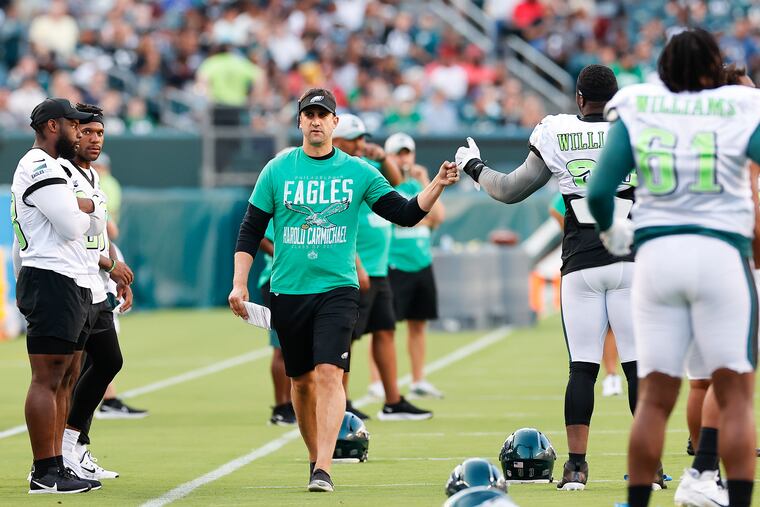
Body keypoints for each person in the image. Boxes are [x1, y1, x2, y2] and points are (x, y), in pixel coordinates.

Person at [228, 88, 458, 493]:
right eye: (309, 114)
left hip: (337, 289)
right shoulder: (277, 169)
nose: (316, 121)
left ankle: (324, 467)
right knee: (300, 382)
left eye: (323, 114)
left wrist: (437, 183)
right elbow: (250, 229)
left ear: (335, 123)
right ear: (299, 122)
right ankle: (314, 455)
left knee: (330, 373)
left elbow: (404, 214)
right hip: (288, 290)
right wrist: (240, 283)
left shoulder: (358, 172)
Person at [587, 29, 760, 507]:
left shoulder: (640, 105)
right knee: (736, 398)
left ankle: (640, 502)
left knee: (655, 399)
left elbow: (600, 193)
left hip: (657, 256)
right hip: (722, 255)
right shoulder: (740, 105)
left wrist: (611, 232)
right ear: (713, 68)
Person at [456, 65, 644, 491]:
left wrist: (473, 165)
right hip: (631, 262)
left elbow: (508, 190)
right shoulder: (636, 131)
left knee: (582, 369)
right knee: (637, 369)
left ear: (579, 98)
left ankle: (576, 468)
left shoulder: (556, 131)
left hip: (581, 264)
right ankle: (646, 467)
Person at [11, 98, 104, 494]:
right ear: (52, 126)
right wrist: (88, 206)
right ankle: (43, 469)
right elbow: (72, 225)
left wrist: (85, 204)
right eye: (72, 125)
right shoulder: (38, 165)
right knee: (47, 377)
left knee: (67, 376)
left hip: (68, 277)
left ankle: (59, 464)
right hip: (50, 276)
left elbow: (92, 217)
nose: (78, 132)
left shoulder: (56, 168)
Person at [332, 115, 432, 421]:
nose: (362, 144)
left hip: (380, 269)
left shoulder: (367, 167)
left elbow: (397, 182)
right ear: (338, 141)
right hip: (355, 270)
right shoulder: (338, 172)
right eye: (355, 139)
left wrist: (384, 156)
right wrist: (357, 264)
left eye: (364, 138)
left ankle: (393, 400)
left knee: (386, 331)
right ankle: (342, 401)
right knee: (346, 339)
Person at [59, 103, 134, 481]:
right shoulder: (62, 173)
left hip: (95, 282)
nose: (94, 139)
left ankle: (74, 446)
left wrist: (114, 268)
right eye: (87, 132)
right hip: (70, 283)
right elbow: (72, 233)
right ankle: (57, 455)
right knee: (67, 372)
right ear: (71, 133)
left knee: (106, 361)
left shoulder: (91, 177)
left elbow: (98, 234)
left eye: (100, 133)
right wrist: (110, 265)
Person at [373, 132, 445, 400]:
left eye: (407, 152)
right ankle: (377, 382)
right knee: (383, 327)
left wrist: (426, 179)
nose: (404, 158)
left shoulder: (419, 183)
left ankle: (418, 380)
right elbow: (398, 218)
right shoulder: (382, 183)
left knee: (418, 325)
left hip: (421, 262)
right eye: (398, 153)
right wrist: (417, 219)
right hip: (394, 263)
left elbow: (437, 217)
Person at [92, 152, 148, 420]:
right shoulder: (101, 183)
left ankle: (107, 398)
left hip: (99, 255)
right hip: (92, 261)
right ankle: (106, 399)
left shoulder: (96, 181)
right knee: (101, 338)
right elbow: (110, 229)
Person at [549, 193, 623, 398]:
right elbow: (555, 207)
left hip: (603, 259)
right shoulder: (591, 173)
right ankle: (611, 375)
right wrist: (575, 231)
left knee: (584, 360)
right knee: (585, 359)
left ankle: (611, 375)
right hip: (603, 259)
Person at [259, 220, 295, 425]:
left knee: (299, 347)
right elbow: (260, 235)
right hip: (277, 280)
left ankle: (292, 403)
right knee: (281, 346)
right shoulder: (282, 196)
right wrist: (284, 257)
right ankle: (281, 406)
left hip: (303, 281)